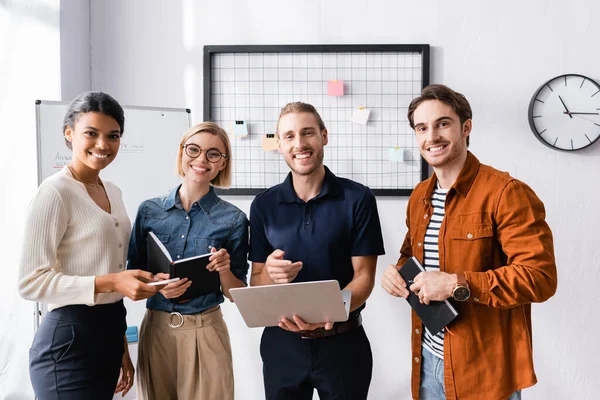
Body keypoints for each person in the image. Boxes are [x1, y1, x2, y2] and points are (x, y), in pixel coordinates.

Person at [381, 84, 558, 400]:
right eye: (422, 128)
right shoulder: (420, 195)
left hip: (484, 371)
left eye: (442, 124)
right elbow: (411, 253)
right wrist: (396, 271)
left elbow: (540, 279)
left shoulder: (506, 193)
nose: (431, 136)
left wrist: (454, 284)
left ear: (466, 128)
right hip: (427, 360)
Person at [18, 92, 160, 400]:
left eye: (113, 136)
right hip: (67, 341)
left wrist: (121, 345)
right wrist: (113, 282)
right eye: (91, 134)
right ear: (69, 133)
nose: (103, 145)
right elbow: (31, 283)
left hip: (108, 332)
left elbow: (109, 270)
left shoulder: (113, 191)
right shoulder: (54, 193)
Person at [250, 102, 385, 400]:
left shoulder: (358, 199)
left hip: (343, 344)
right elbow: (256, 283)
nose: (299, 144)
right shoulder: (263, 205)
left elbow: (364, 278)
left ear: (324, 135)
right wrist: (271, 275)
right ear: (280, 144)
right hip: (281, 346)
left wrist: (330, 313)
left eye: (308, 132)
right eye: (289, 136)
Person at [127, 121, 249, 400]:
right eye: (193, 149)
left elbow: (236, 294)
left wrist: (225, 270)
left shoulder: (234, 220)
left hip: (206, 330)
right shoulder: (149, 211)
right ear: (182, 152)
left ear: (222, 164)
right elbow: (131, 275)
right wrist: (156, 285)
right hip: (157, 329)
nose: (201, 160)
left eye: (213, 154)